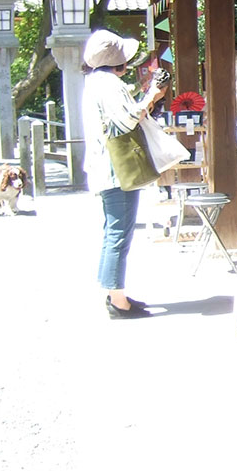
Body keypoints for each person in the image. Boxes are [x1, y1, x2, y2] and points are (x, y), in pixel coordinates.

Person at [83, 29, 168, 319]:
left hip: (103, 166)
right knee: (120, 232)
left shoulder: (95, 82)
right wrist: (152, 96)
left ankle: (113, 292)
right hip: (116, 168)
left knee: (113, 231)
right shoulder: (109, 85)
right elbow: (127, 119)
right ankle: (117, 300)